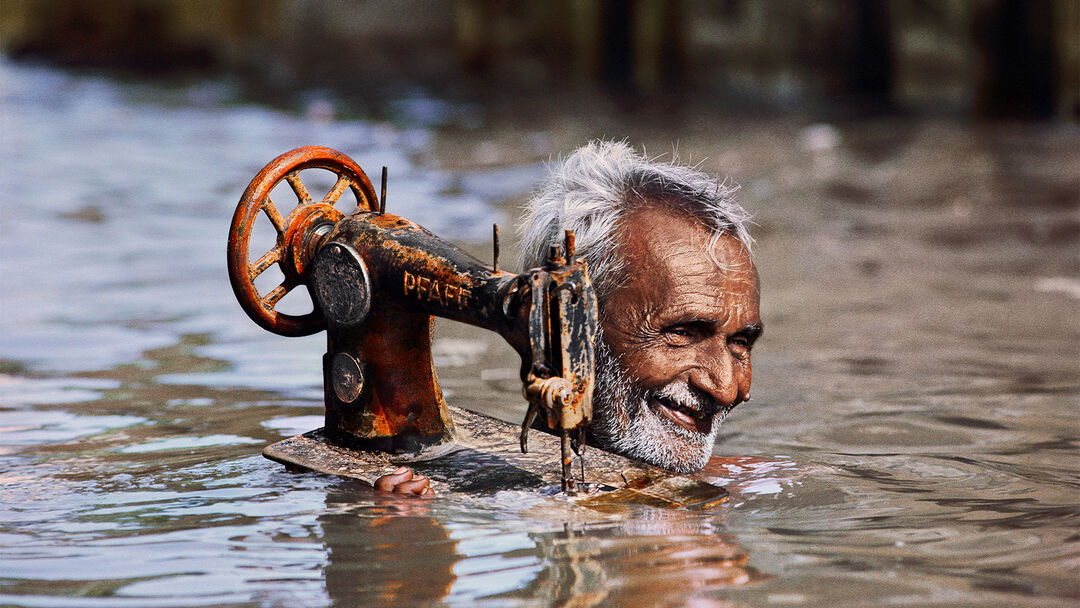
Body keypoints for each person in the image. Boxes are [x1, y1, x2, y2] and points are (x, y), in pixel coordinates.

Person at [378, 140, 761, 496]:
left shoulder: (748, 481)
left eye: (740, 342)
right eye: (683, 332)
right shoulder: (420, 498)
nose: (728, 389)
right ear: (563, 321)